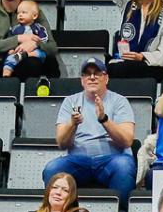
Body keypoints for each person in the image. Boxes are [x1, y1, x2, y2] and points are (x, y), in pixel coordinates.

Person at [43, 58, 137, 200]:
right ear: (82, 80)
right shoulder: (70, 101)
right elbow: (62, 143)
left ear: (106, 78)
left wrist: (104, 119)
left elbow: (127, 141)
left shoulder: (120, 101)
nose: (92, 77)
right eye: (87, 74)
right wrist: (72, 124)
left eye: (97, 73)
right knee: (52, 168)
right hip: (78, 160)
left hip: (111, 159)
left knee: (124, 166)